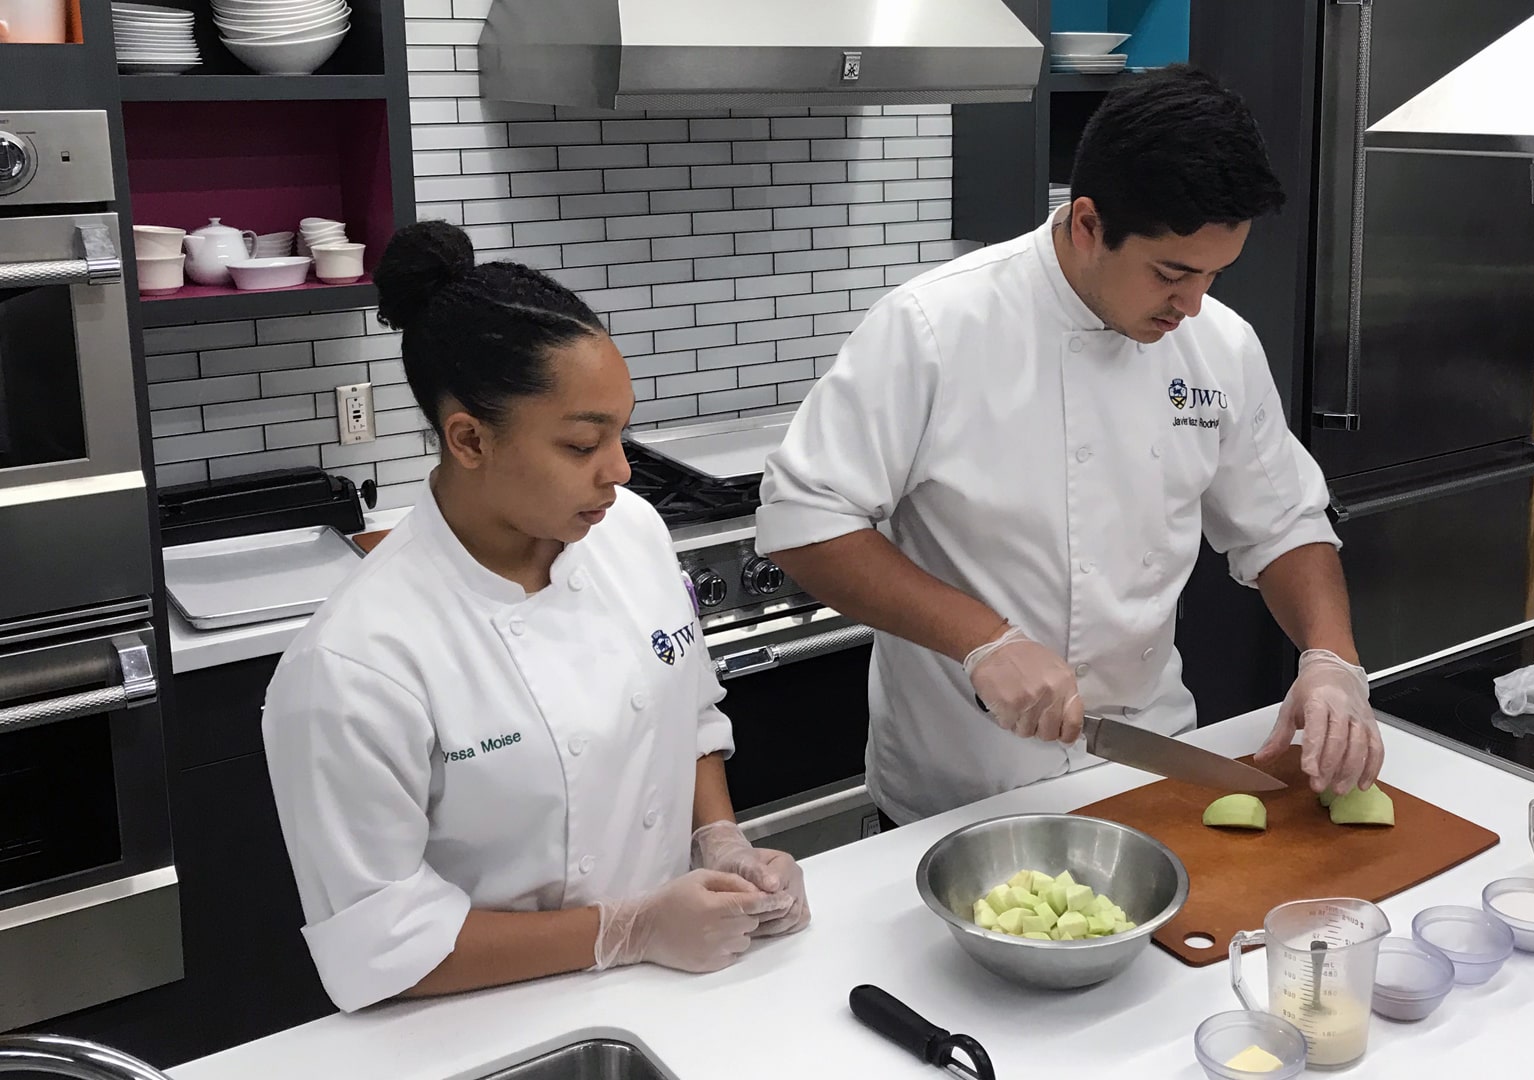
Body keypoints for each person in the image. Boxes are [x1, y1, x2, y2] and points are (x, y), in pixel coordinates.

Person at [755, 65, 1381, 825]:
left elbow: (1283, 523)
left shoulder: (1219, 344)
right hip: (961, 790)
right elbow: (803, 522)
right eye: (1172, 274)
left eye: (1215, 276)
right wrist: (984, 641)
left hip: (1147, 772)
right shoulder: (935, 327)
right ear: (1088, 224)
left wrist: (1330, 658)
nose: (1192, 304)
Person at [261, 221, 809, 1013]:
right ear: (470, 439)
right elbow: (382, 942)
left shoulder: (630, 534)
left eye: (622, 433)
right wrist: (627, 929)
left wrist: (722, 843)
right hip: (487, 1021)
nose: (620, 472)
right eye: (584, 444)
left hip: (677, 984)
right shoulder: (355, 665)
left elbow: (686, 717)